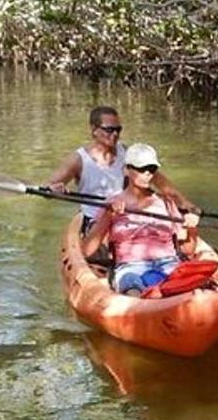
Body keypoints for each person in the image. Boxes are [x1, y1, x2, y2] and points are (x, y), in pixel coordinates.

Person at [44, 106, 196, 234]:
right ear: (94, 130)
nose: (115, 134)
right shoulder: (78, 160)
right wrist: (54, 188)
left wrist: (186, 204)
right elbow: (48, 186)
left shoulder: (129, 154)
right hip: (95, 221)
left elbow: (161, 183)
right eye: (109, 130)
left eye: (118, 129)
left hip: (128, 217)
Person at [81, 143, 201, 295]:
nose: (147, 174)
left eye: (152, 169)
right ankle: (140, 302)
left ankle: (173, 298)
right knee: (130, 282)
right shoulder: (112, 204)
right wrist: (108, 215)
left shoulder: (166, 202)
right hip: (130, 267)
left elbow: (187, 250)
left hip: (168, 264)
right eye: (141, 168)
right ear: (126, 170)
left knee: (185, 283)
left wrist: (192, 229)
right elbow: (87, 250)